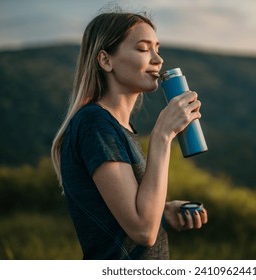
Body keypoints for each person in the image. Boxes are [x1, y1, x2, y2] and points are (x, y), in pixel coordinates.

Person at [51, 10, 208, 260]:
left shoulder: (116, 126)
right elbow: (143, 230)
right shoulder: (95, 124)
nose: (158, 59)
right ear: (105, 60)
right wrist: (162, 135)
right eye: (144, 49)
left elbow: (126, 215)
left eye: (157, 48)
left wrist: (163, 213)